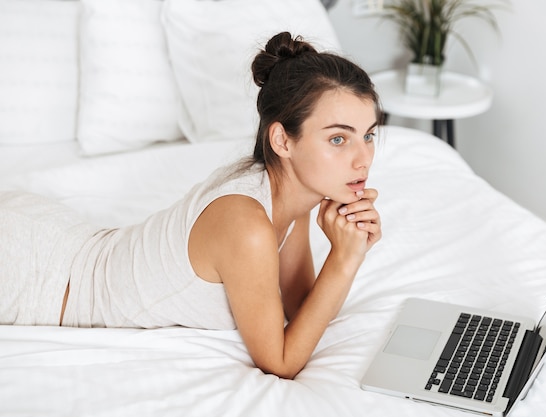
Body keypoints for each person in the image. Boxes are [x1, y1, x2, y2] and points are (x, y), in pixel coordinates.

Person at [0, 31, 382, 379]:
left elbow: (299, 311)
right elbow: (279, 362)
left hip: (61, 239)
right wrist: (345, 259)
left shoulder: (289, 199)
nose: (362, 158)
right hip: (32, 276)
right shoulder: (246, 224)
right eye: (338, 139)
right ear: (282, 141)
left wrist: (346, 247)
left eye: (368, 135)